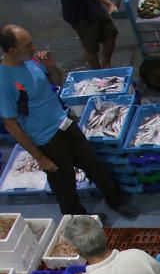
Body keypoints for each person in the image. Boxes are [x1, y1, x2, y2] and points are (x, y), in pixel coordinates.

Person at [0, 25, 139, 219]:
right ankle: (79, 220)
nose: (33, 48)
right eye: (27, 45)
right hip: (46, 139)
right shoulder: (4, 82)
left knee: (93, 164)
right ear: (12, 50)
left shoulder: (31, 61)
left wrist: (51, 67)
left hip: (64, 123)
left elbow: (56, 82)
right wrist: (40, 158)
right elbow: (10, 124)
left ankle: (116, 200)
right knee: (64, 184)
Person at [55, 0, 118, 69]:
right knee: (90, 45)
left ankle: (106, 63)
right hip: (78, 11)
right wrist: (109, 4)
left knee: (111, 33)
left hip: (91, 2)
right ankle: (97, 72)